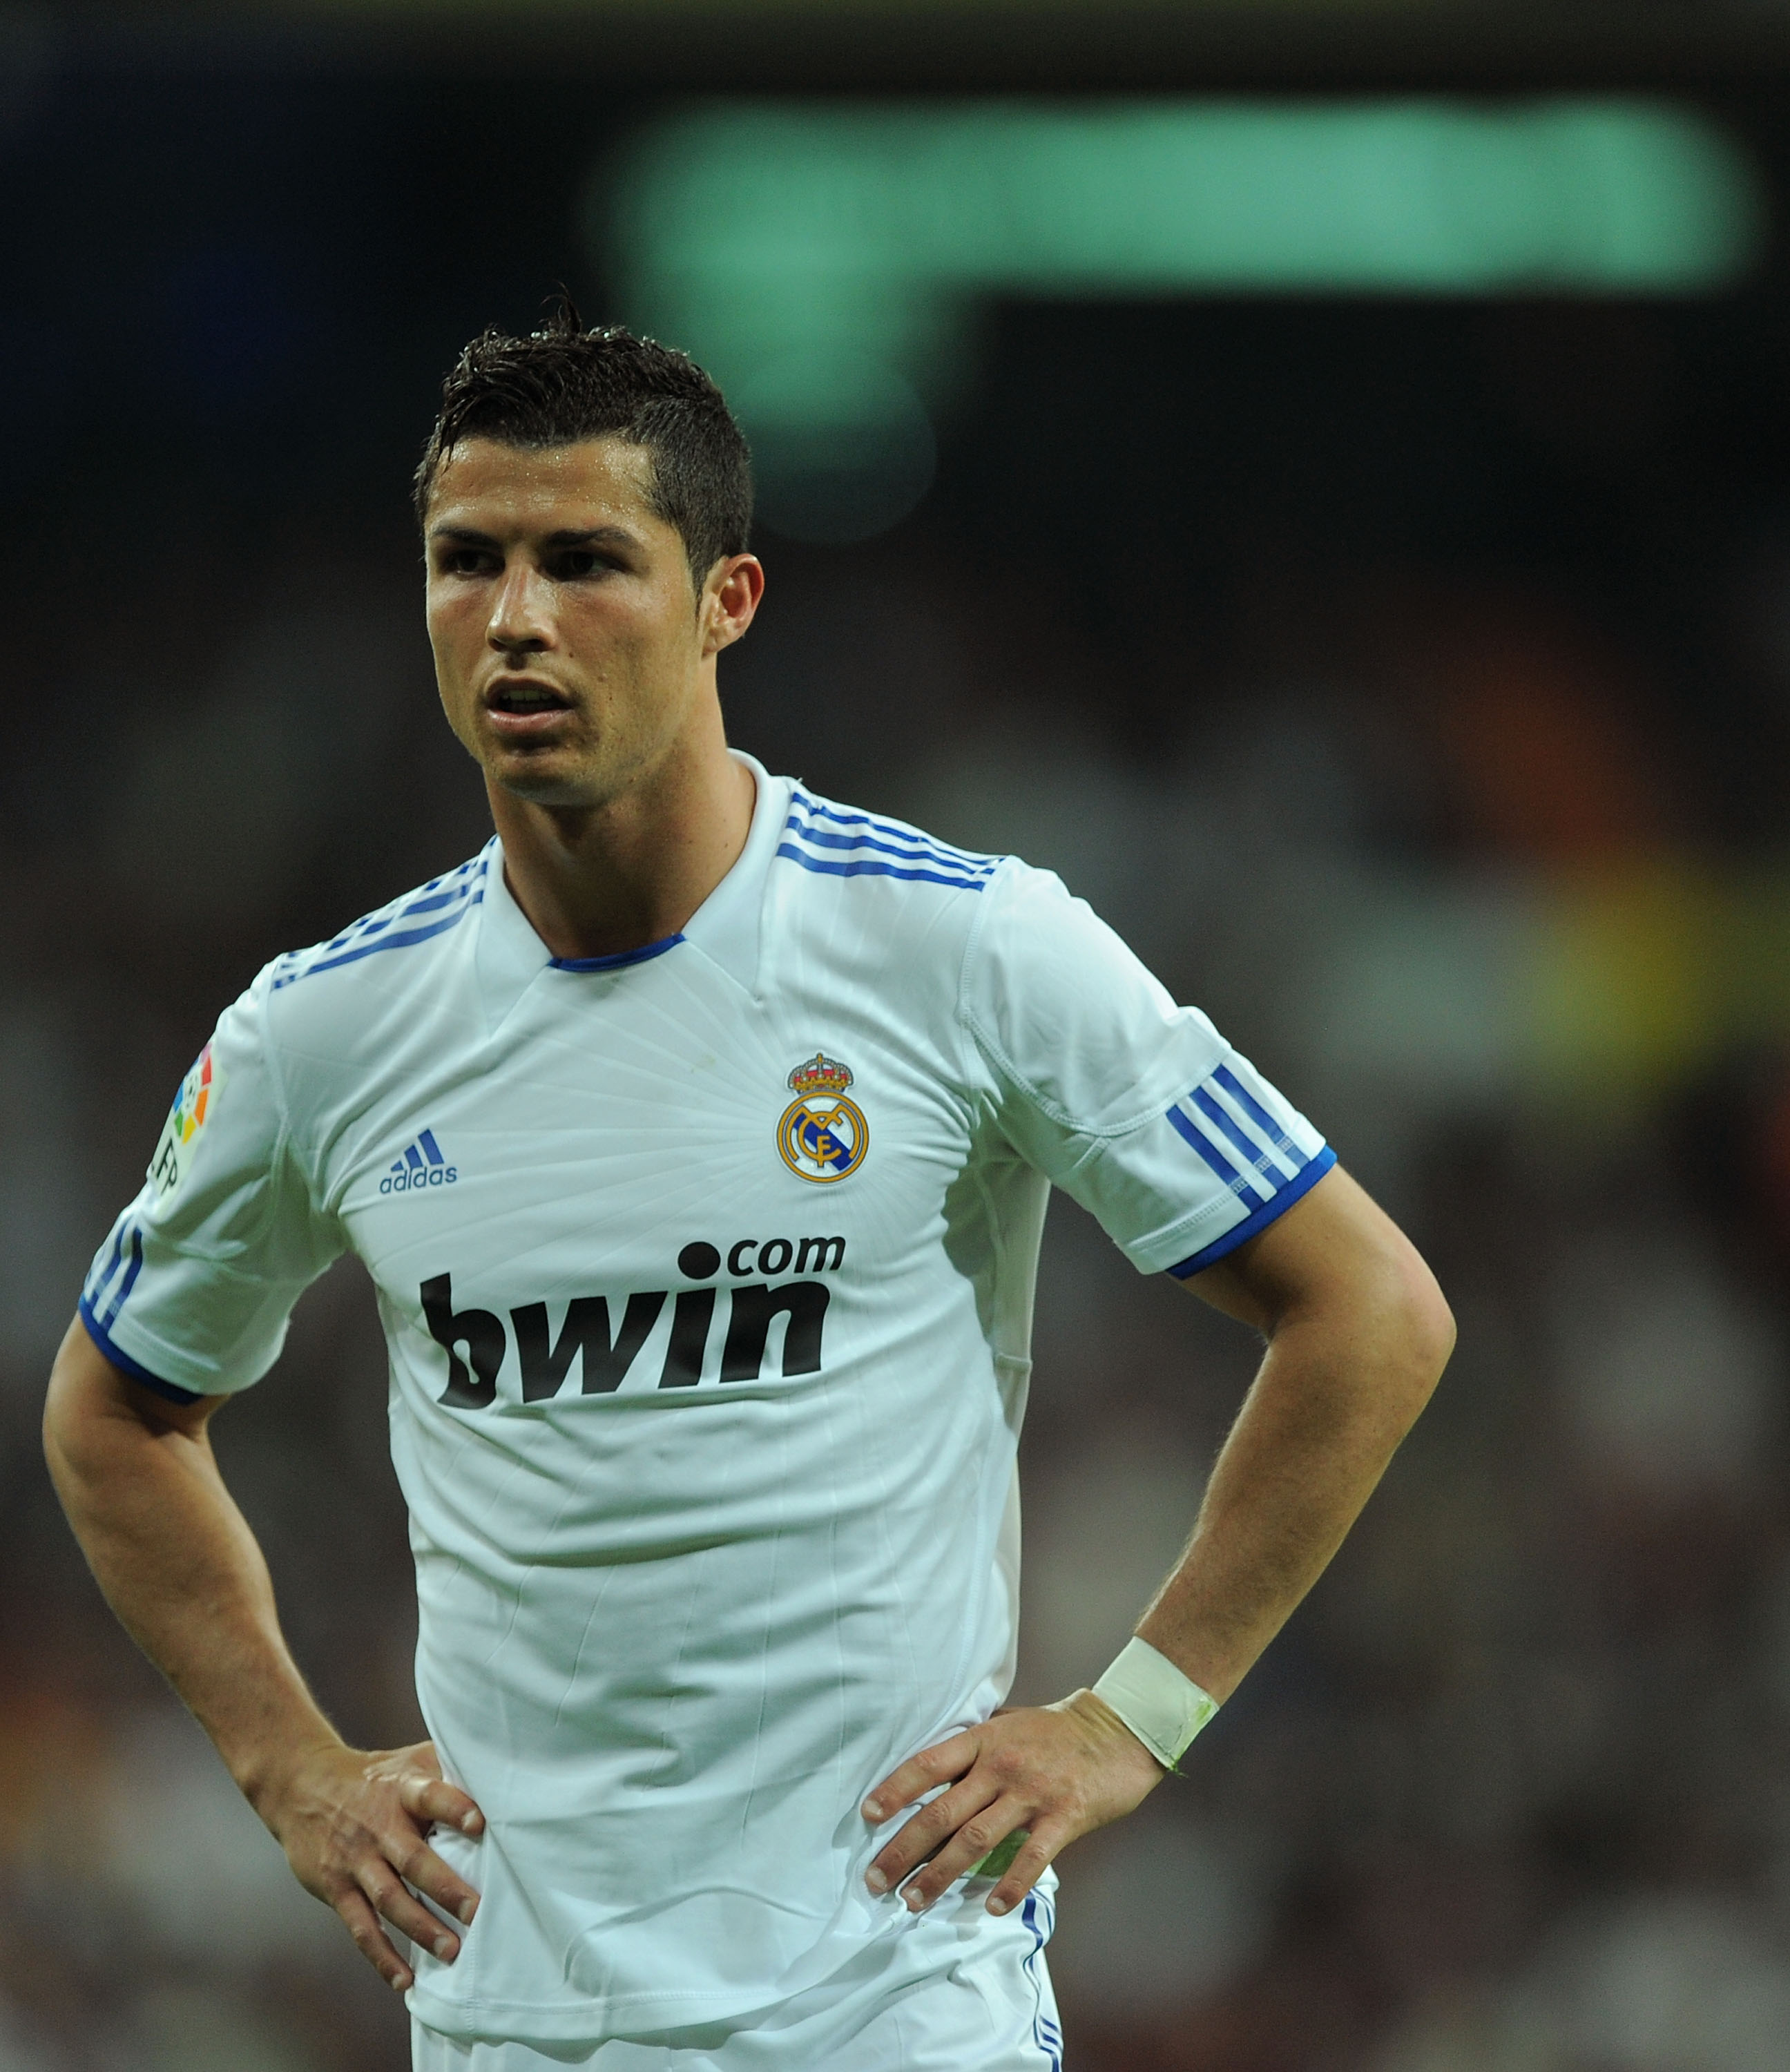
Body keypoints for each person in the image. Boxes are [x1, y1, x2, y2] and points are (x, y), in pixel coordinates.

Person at [44, 307, 1454, 2072]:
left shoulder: (961, 948)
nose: (518, 619)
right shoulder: (323, 1033)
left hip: (891, 2002)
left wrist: (1128, 1724)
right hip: (513, 2025)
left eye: (586, 562)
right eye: (464, 563)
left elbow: (1371, 1309)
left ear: (730, 602)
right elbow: (116, 1413)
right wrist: (290, 1770)